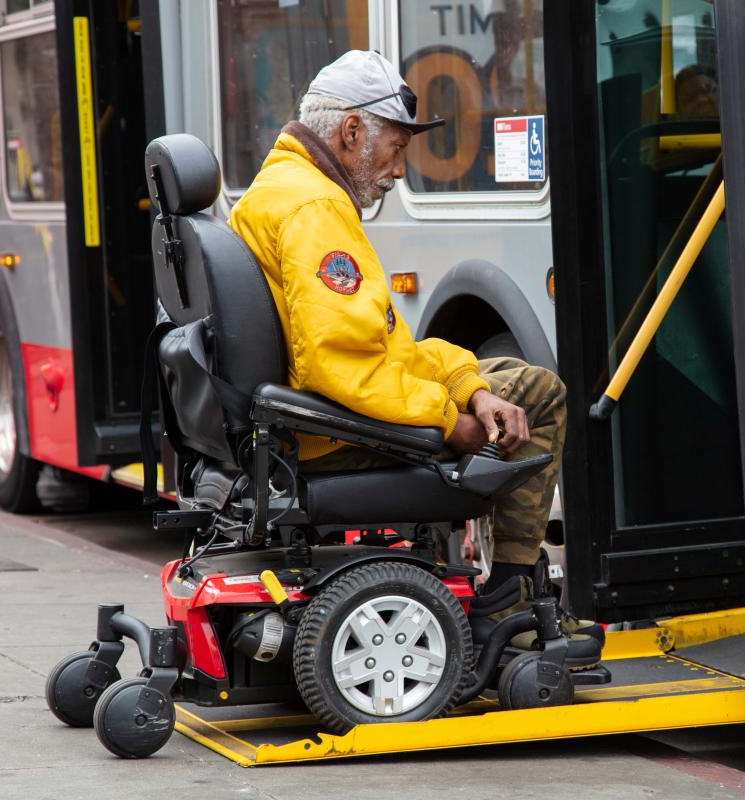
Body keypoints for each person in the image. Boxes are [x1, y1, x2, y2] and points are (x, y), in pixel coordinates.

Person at [227, 50, 601, 666]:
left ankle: (508, 591)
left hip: (314, 417)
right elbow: (340, 365)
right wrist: (451, 423)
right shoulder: (316, 209)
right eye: (395, 149)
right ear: (351, 132)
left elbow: (384, 345)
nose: (399, 170)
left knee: (512, 384)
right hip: (331, 428)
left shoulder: (280, 188)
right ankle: (508, 601)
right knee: (541, 395)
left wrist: (471, 386)